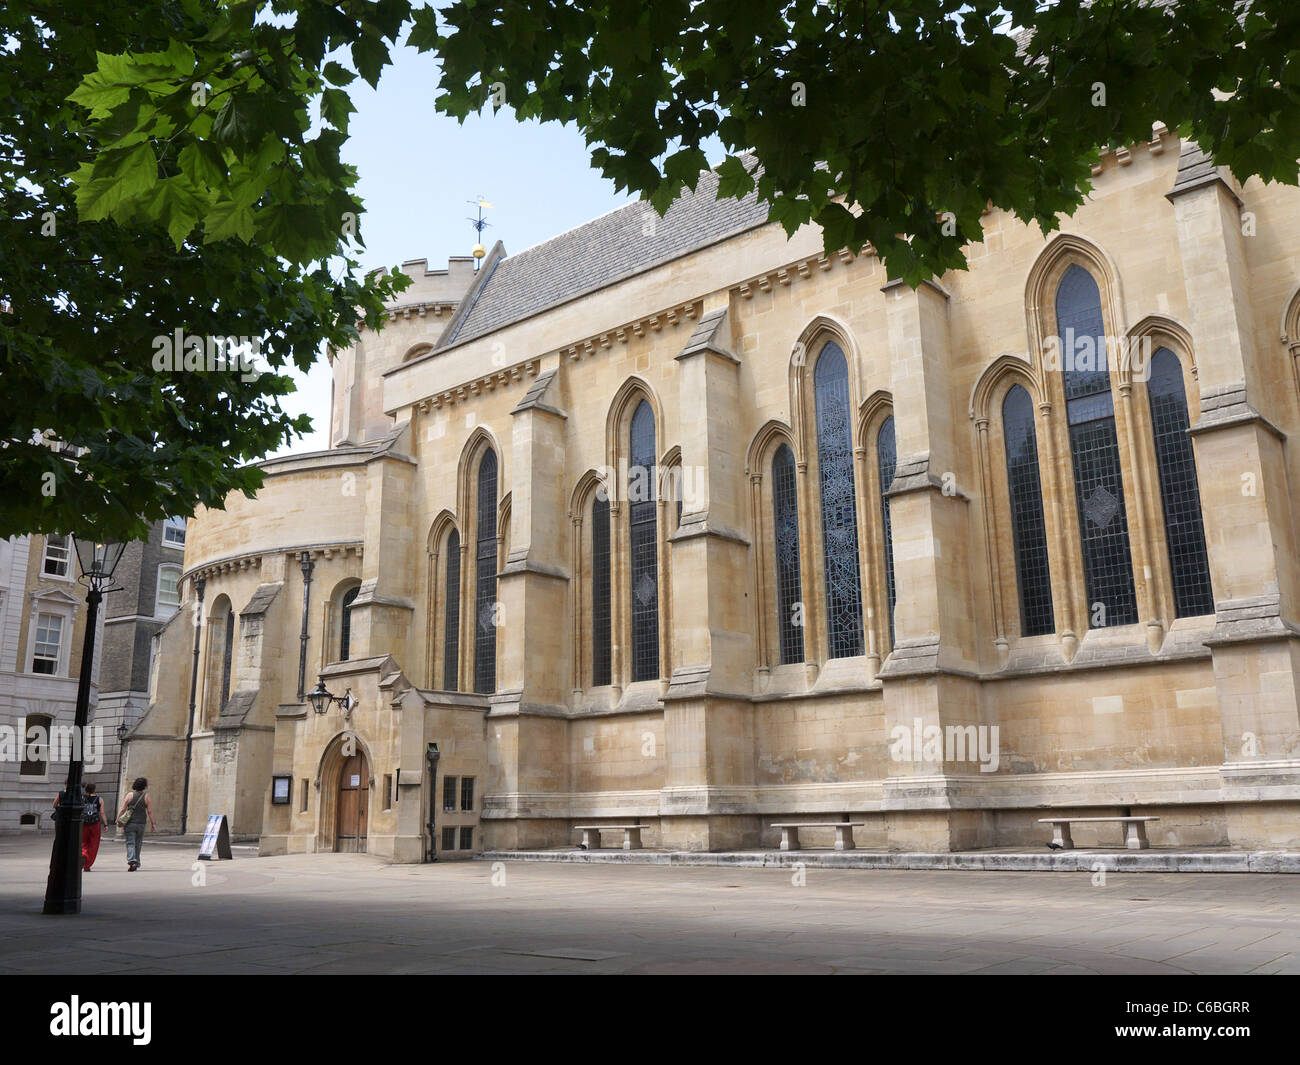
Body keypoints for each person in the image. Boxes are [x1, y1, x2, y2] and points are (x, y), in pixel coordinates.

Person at [118, 777, 156, 872]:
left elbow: (123, 809)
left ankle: (132, 861)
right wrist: (153, 823)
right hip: (141, 824)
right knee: (138, 844)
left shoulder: (129, 795)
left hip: (130, 823)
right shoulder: (146, 797)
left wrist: (118, 818)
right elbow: (150, 811)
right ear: (144, 786)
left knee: (130, 842)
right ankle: (137, 862)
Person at [81, 783, 107, 871]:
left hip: (84, 822)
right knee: (94, 843)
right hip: (95, 823)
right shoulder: (99, 799)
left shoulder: (82, 798)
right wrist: (105, 824)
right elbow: (102, 812)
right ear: (94, 789)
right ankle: (87, 865)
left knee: (83, 841)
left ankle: (83, 854)